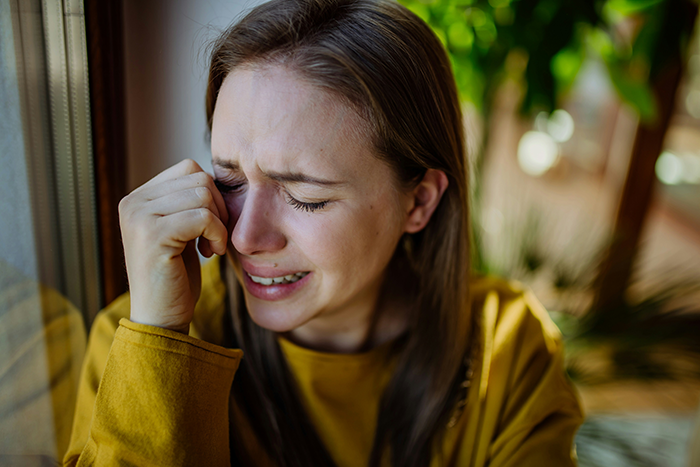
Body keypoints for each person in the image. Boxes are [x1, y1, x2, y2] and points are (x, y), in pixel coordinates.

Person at [64, 0, 583, 465]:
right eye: (229, 179)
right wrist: (159, 345)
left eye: (306, 196)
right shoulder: (138, 340)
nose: (244, 237)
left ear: (419, 201)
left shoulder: (508, 348)